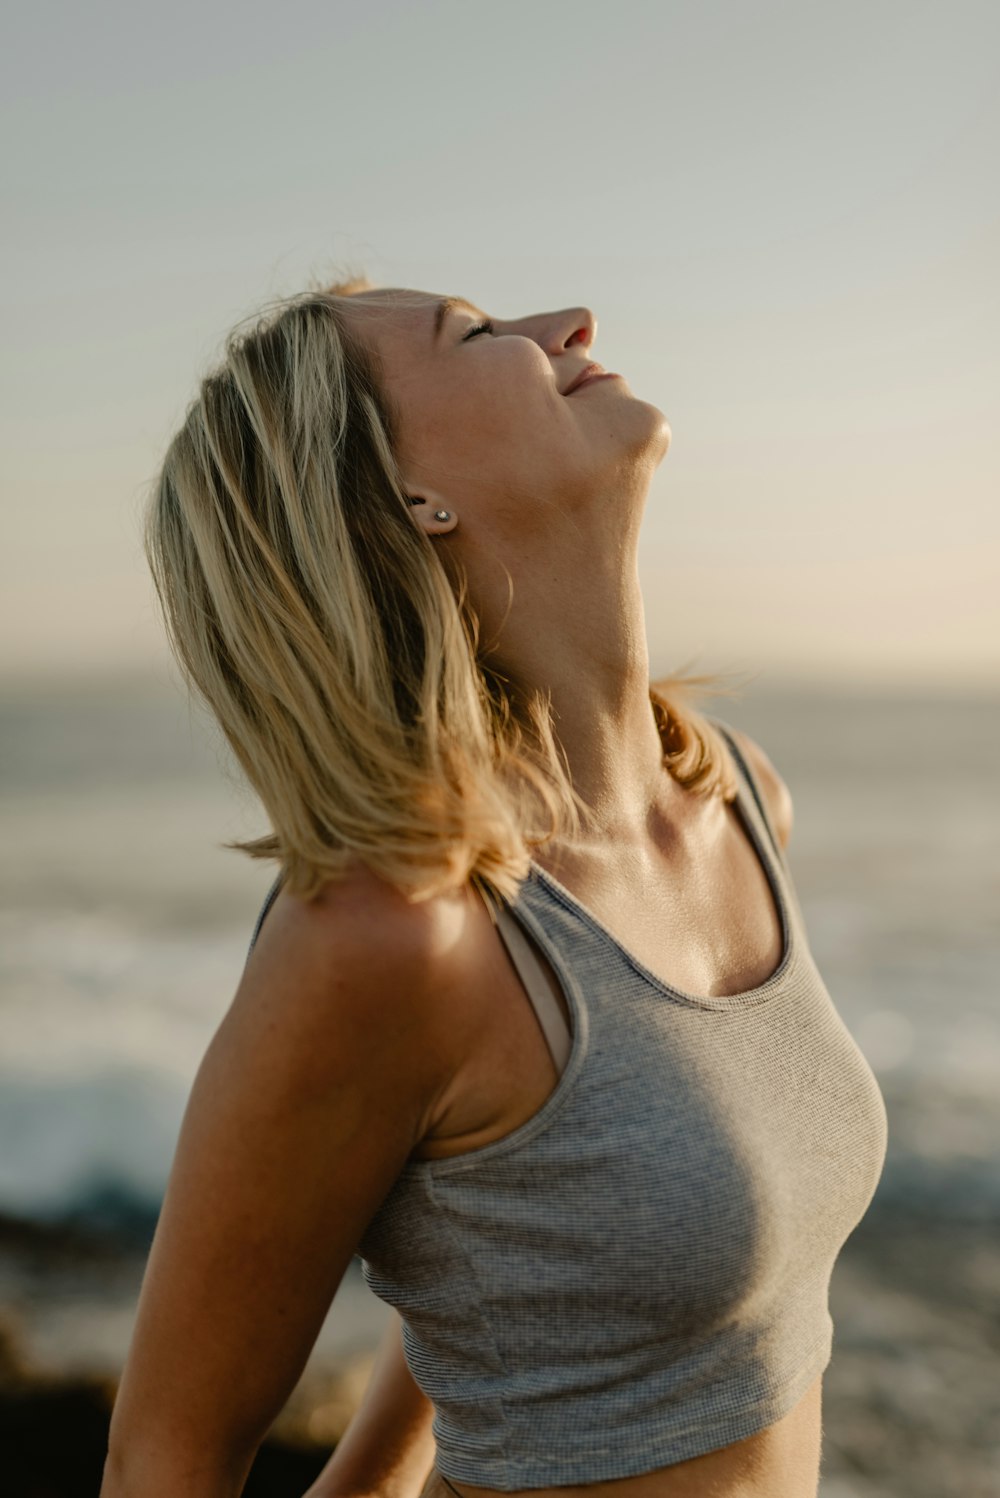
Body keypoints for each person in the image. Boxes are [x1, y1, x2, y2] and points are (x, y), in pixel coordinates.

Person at [100, 275, 888, 1498]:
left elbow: (536, 1243)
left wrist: (367, 1481)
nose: (567, 324)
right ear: (409, 496)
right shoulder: (393, 933)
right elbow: (168, 1457)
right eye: (472, 335)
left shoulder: (738, 796)